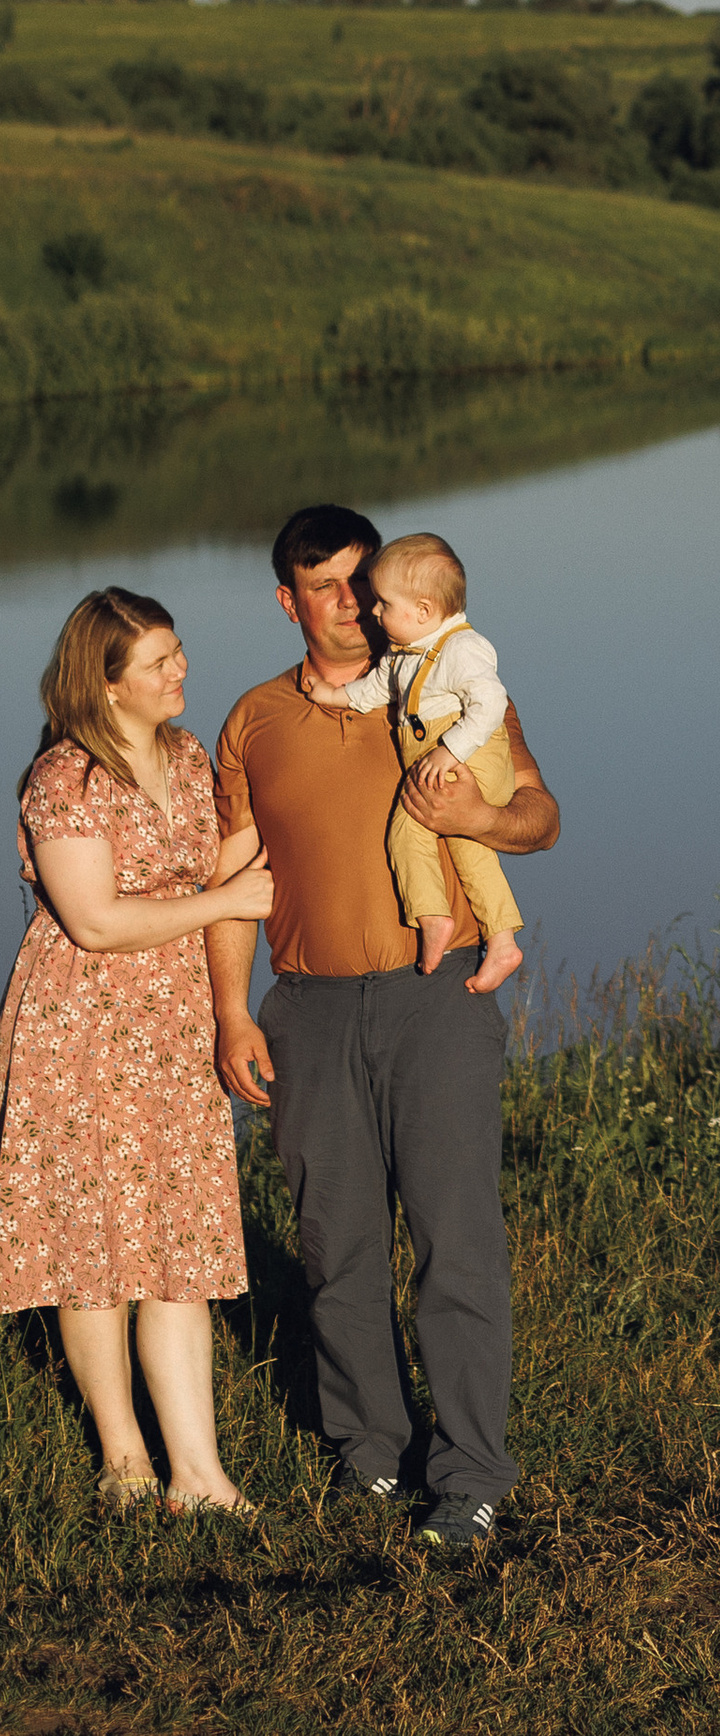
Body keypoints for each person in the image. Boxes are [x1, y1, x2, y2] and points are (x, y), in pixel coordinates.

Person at [210, 505, 560, 1552]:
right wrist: (231, 1010)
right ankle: (369, 1460)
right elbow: (234, 881)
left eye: (367, 584)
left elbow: (540, 813)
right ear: (289, 598)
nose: (354, 606)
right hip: (306, 1007)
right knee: (335, 1247)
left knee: (457, 1243)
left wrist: (478, 823)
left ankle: (469, 1477)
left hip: (437, 998)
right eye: (327, 587)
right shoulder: (251, 721)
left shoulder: (446, 684)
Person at [3, 588, 275, 1513]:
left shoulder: (192, 757)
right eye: (158, 661)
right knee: (96, 1250)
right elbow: (94, 921)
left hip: (173, 1029)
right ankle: (123, 1457)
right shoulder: (64, 780)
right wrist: (227, 904)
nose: (180, 671)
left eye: (179, 652)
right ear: (107, 683)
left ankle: (198, 1475)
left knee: (180, 1245)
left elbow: (226, 864)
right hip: (80, 1030)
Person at [336, 532, 524, 995]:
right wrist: (336, 696)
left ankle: (432, 917)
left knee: (409, 826)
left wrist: (450, 749)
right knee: (470, 847)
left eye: (381, 603)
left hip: (471, 761)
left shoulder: (462, 648)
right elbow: (378, 689)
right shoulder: (407, 650)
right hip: (446, 762)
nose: (371, 612)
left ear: (422, 611)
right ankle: (502, 940)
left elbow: (491, 702)